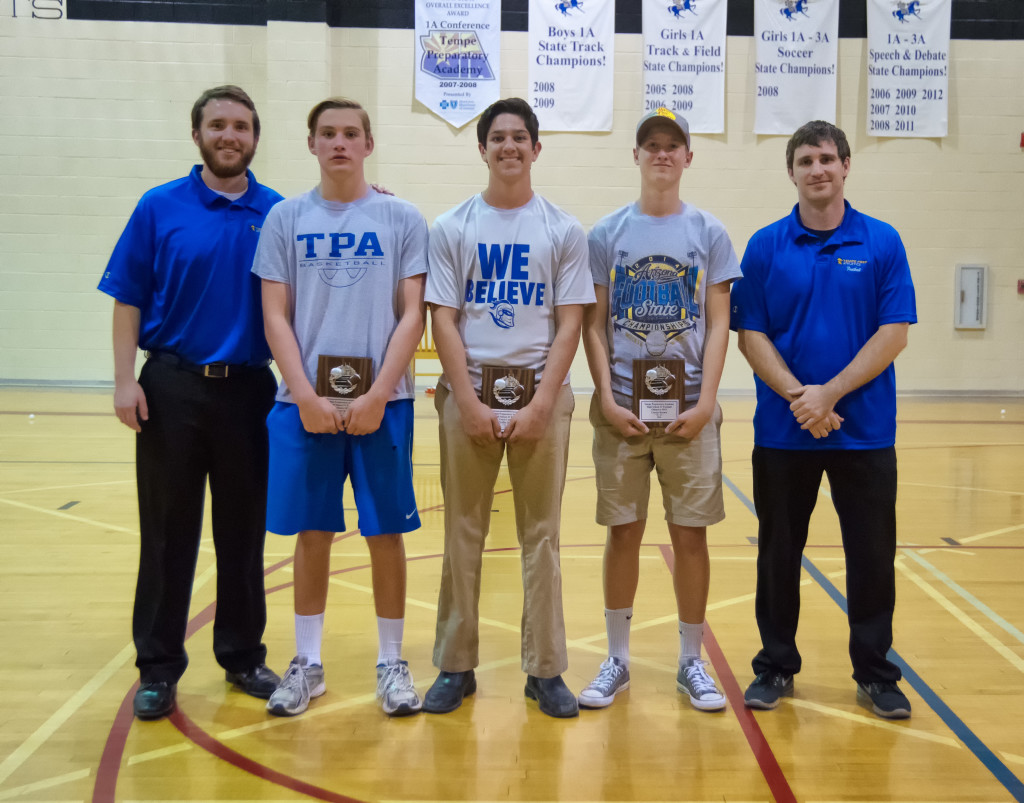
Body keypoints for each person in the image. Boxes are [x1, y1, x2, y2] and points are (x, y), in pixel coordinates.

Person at [99, 85, 283, 720]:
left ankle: (241, 655)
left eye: (241, 126)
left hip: (250, 391)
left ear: (255, 137)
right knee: (168, 532)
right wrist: (126, 381)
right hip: (171, 387)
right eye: (218, 125)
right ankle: (157, 666)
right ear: (197, 133)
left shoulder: (279, 212)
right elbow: (127, 298)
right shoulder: (159, 207)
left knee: (242, 533)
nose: (229, 135)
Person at [730, 120, 917, 719]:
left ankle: (875, 672)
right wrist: (798, 398)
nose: (818, 169)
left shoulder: (882, 242)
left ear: (846, 166)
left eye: (828, 158)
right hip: (785, 433)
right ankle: (776, 666)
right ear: (792, 171)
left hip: (864, 434)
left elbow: (894, 334)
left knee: (870, 555)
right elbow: (750, 334)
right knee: (778, 556)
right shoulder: (764, 246)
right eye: (806, 160)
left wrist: (828, 393)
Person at [252, 98, 427, 718]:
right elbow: (275, 314)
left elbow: (414, 313)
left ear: (369, 143)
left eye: (351, 133)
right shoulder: (284, 217)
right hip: (307, 404)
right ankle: (308, 664)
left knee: (385, 535)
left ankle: (391, 662)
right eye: (327, 133)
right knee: (313, 533)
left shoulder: (402, 217)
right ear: (311, 144)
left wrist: (380, 392)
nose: (340, 143)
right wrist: (302, 393)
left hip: (386, 404)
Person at [422, 97, 595, 719]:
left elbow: (570, 322)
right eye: (498, 137)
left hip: (540, 391)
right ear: (482, 149)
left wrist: (545, 400)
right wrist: (464, 400)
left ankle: (545, 670)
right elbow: (443, 318)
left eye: (520, 137)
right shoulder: (452, 227)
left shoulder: (562, 230)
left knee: (541, 536)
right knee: (462, 534)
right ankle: (455, 664)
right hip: (468, 391)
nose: (509, 147)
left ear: (536, 149)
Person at [578, 108, 740, 712]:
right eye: (652, 145)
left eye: (674, 146)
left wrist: (706, 402)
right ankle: (617, 659)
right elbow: (593, 324)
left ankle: (691, 661)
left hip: (687, 412)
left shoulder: (709, 232)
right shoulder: (607, 233)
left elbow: (720, 322)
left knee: (689, 535)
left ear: (688, 158)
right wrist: (605, 395)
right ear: (638, 155)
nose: (663, 154)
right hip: (622, 410)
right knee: (623, 532)